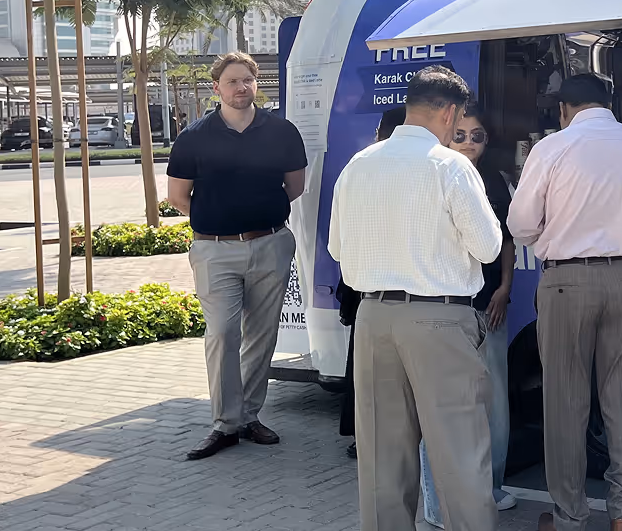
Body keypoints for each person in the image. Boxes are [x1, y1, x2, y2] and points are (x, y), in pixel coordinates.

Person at [329, 66, 503, 531]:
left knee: (382, 457)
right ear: (451, 112)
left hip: (372, 318)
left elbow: (337, 251)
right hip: (439, 320)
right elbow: (487, 248)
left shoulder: (359, 164)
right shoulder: (451, 166)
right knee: (459, 453)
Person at [507, 73, 622, 531]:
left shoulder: (551, 148)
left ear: (563, 109)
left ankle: (569, 516)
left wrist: (556, 229)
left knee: (565, 402)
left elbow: (520, 224)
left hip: (565, 283)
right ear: (609, 103)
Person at [166, 51, 307, 461]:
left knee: (262, 335)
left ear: (255, 83)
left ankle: (248, 416)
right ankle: (224, 424)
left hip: (271, 244)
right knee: (223, 334)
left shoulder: (282, 132)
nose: (241, 87)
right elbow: (177, 196)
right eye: (232, 81)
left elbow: (293, 187)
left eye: (247, 80)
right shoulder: (194, 137)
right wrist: (218, 218)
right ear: (217, 88)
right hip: (215, 249)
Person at [420, 102, 519, 525]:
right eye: (460, 134)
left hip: (490, 307)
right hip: (446, 307)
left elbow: (508, 242)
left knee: (495, 406)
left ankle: (491, 488)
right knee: (443, 407)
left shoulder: (494, 180)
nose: (468, 143)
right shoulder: (433, 175)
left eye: (477, 135)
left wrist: (504, 289)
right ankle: (437, 501)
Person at [339, 106, 408, 461]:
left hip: (368, 290)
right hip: (418, 296)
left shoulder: (359, 166)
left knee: (368, 375)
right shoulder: (433, 165)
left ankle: (364, 438)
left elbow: (339, 243)